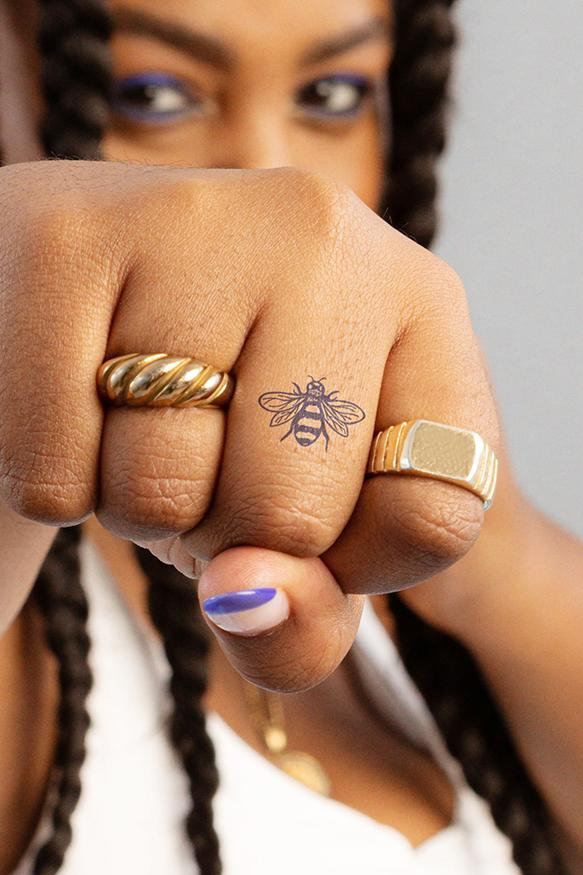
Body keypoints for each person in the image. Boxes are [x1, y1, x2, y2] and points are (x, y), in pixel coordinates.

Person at [0, 0, 581, 873]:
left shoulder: (425, 537)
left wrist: (470, 528)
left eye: (331, 94)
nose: (276, 179)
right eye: (151, 94)